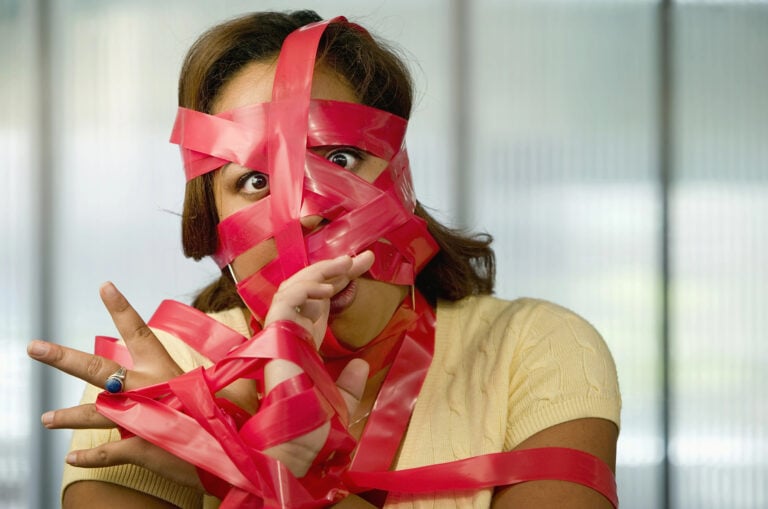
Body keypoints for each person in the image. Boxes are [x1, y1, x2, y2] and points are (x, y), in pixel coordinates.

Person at [27, 10, 621, 509]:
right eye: (256, 180)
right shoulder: (163, 377)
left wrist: (275, 478)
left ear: (399, 176)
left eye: (339, 159)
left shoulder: (535, 347)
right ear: (210, 219)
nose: (303, 213)